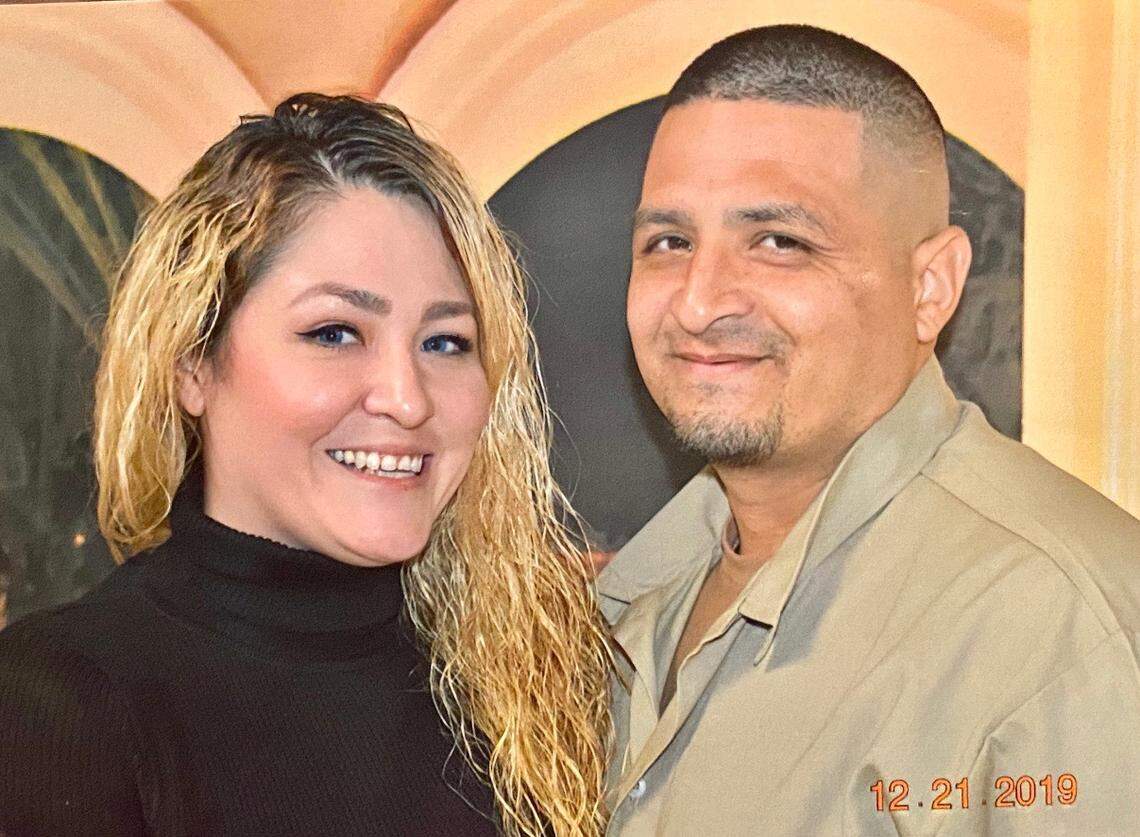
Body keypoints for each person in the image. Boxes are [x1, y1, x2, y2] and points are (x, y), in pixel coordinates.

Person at [0, 94, 611, 837]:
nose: (406, 399)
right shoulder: (55, 704)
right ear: (193, 361)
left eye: (445, 341)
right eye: (334, 332)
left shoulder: (528, 692)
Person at [599, 24, 1140, 835]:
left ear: (932, 286)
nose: (699, 301)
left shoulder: (1061, 631)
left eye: (779, 242)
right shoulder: (632, 594)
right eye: (669, 242)